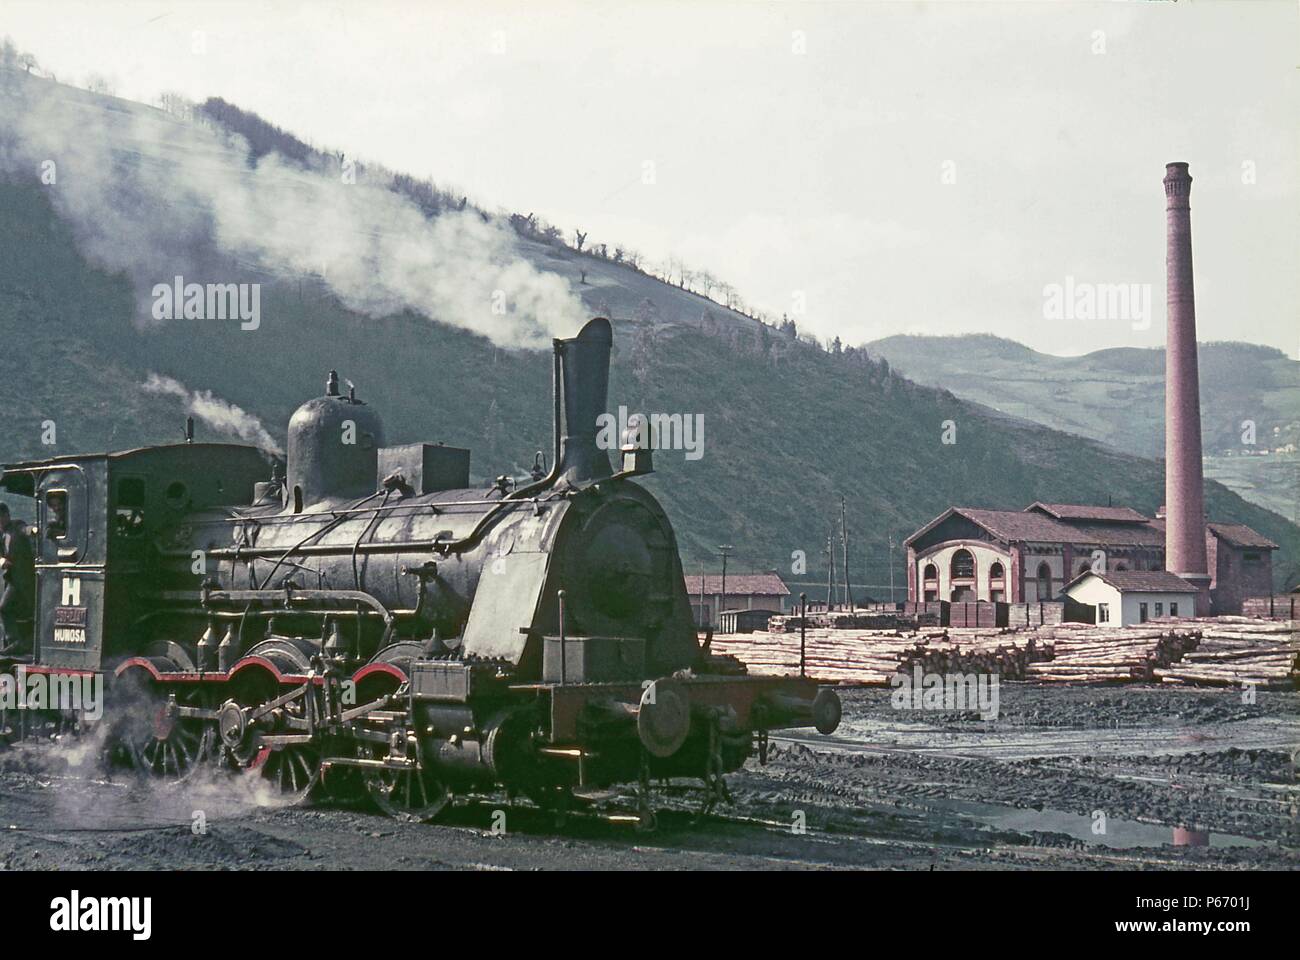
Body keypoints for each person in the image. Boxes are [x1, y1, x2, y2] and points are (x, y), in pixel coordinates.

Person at [0, 502, 35, 656]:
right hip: (13, 580)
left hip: (25, 579)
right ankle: (15, 642)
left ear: (7, 515)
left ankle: (16, 642)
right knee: (9, 609)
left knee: (6, 608)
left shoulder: (17, 526)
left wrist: (33, 530)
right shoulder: (1, 534)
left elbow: (25, 530)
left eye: (1, 518)